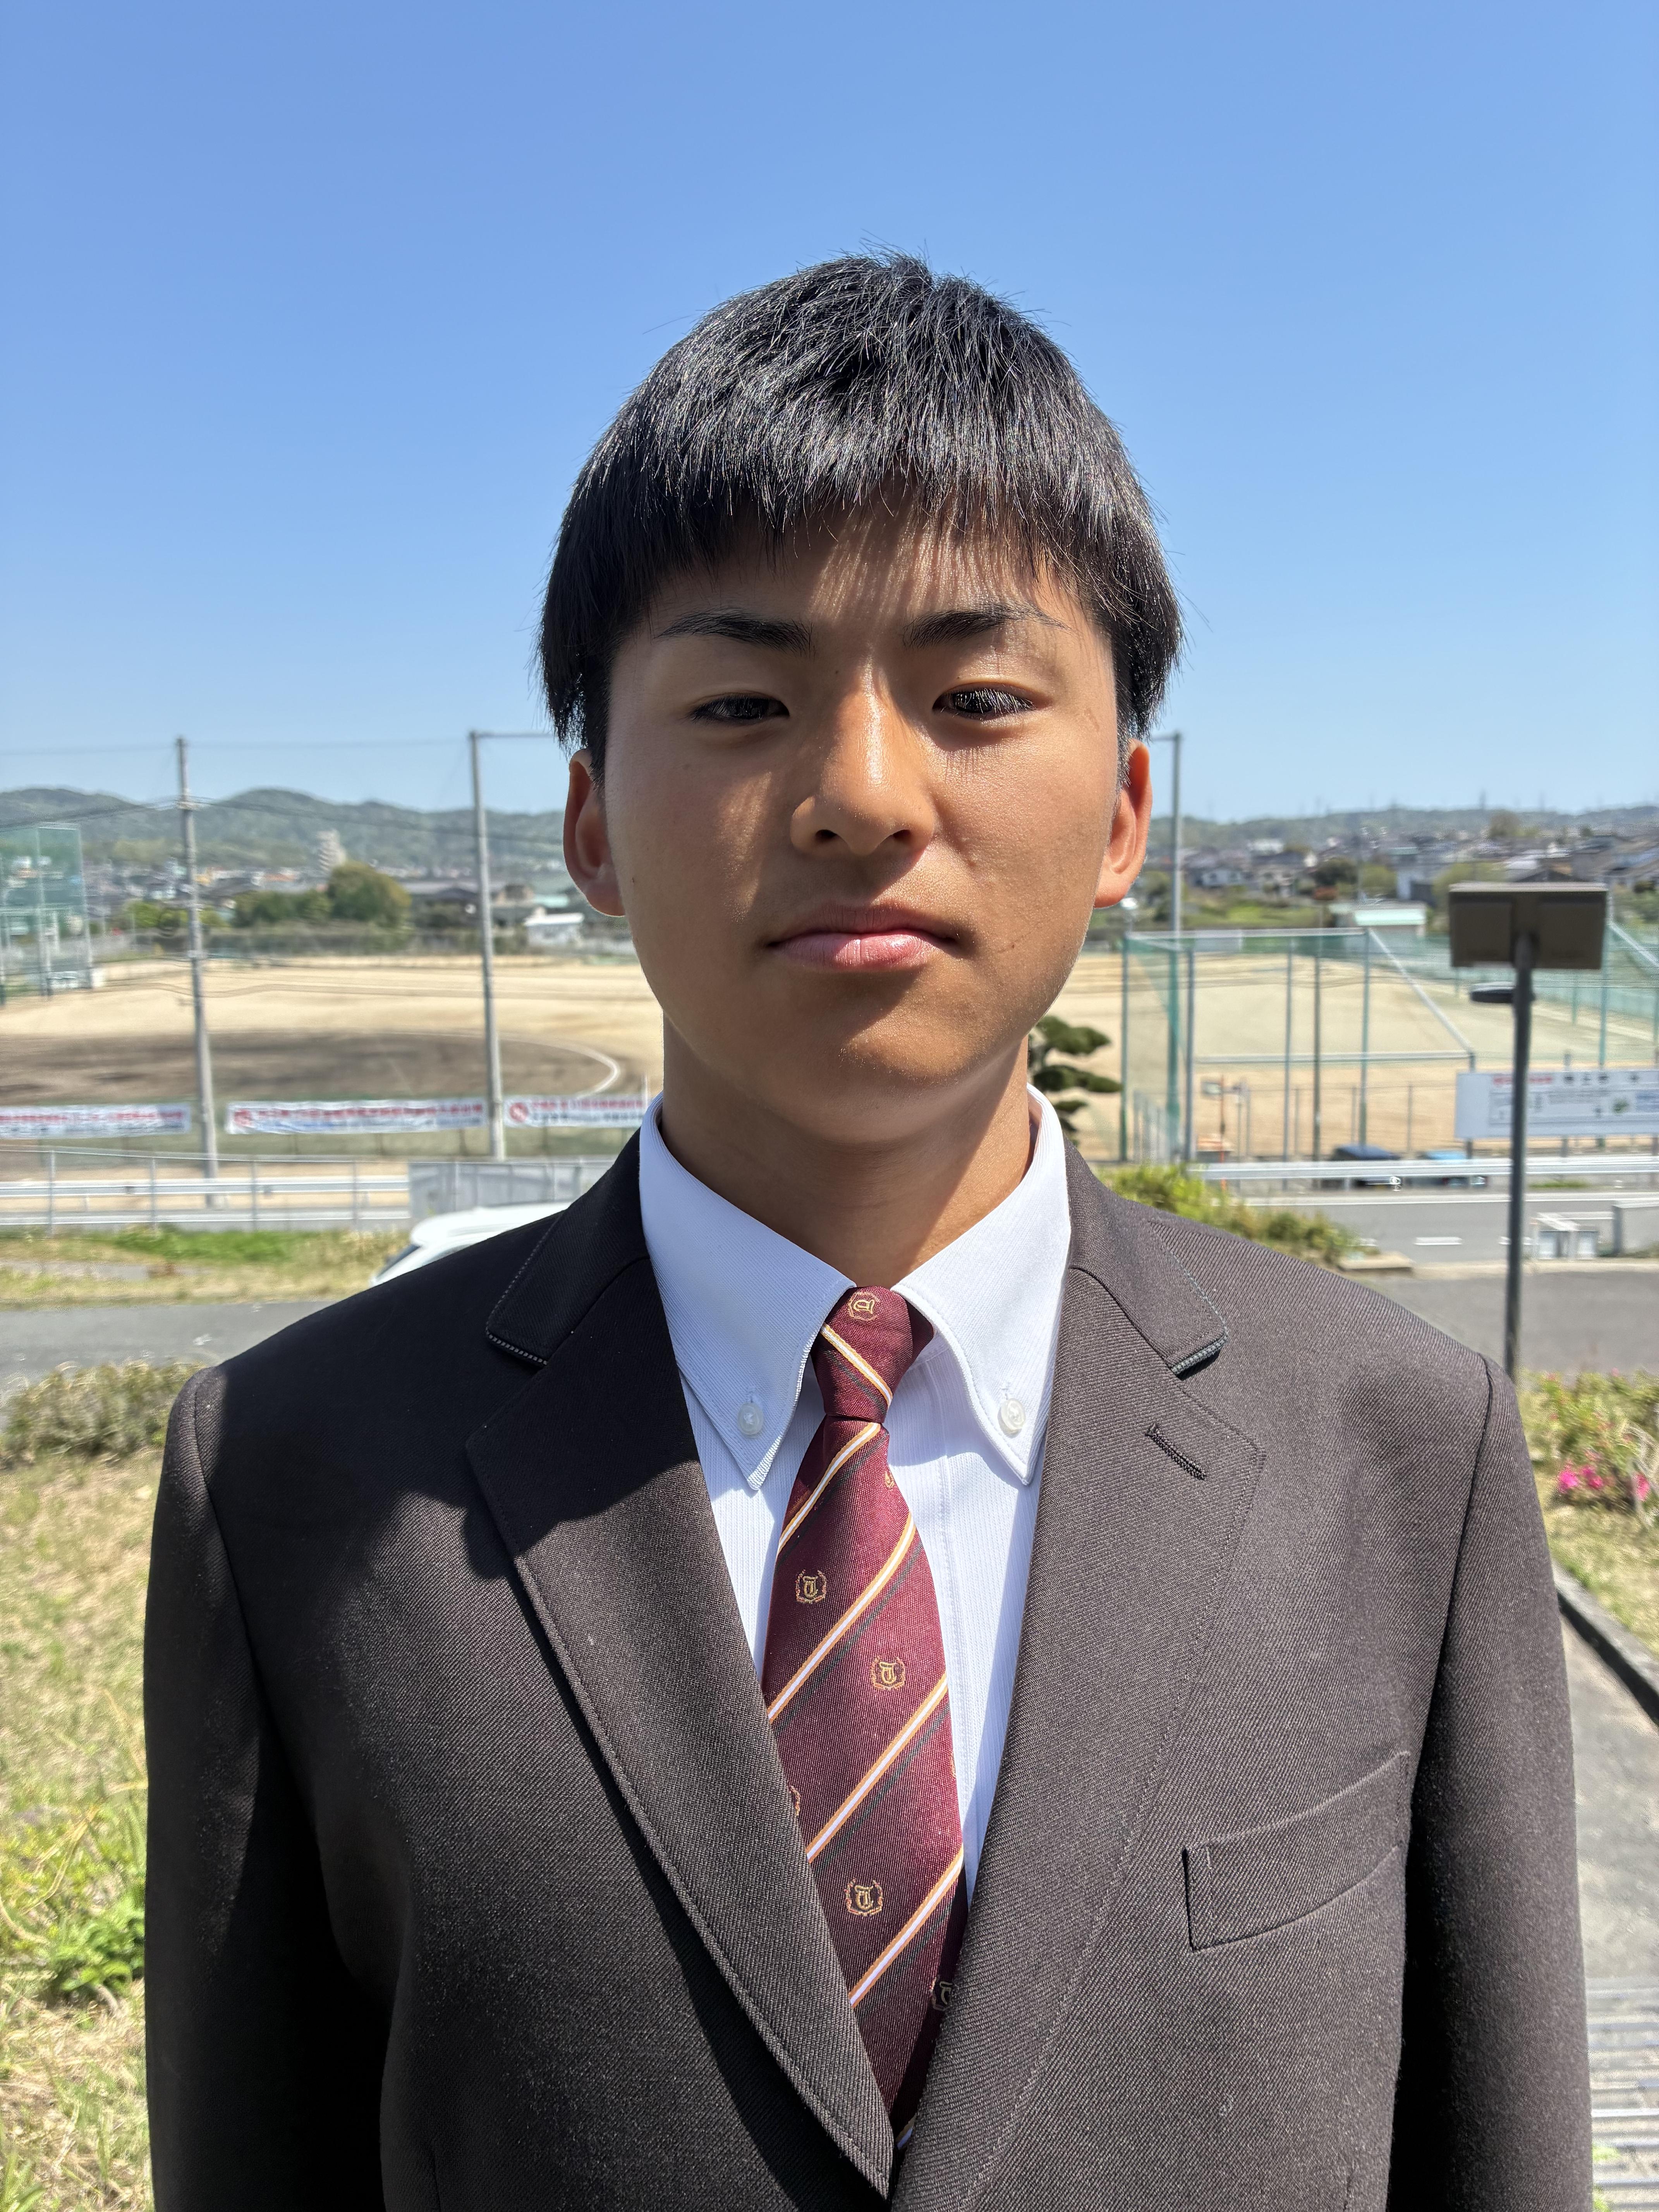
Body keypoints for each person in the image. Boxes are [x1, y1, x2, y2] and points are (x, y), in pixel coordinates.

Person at [144, 254, 1590, 2210]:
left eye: (975, 698)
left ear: (1124, 813)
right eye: (742, 702)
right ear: (589, 822)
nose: (859, 792)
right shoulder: (299, 1474)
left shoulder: (1400, 1450)